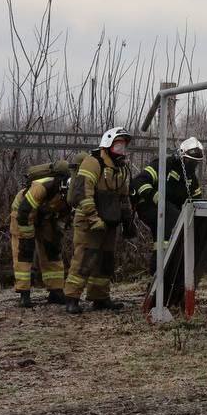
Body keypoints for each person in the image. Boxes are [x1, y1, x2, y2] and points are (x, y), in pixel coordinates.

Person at [65, 127, 135, 313]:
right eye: (118, 145)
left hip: (109, 221)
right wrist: (94, 219)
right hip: (89, 221)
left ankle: (100, 297)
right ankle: (72, 298)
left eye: (123, 146)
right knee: (84, 258)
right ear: (108, 143)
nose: (121, 150)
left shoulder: (119, 169)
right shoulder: (93, 163)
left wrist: (128, 221)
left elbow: (123, 196)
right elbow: (83, 193)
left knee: (105, 260)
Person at [9, 167, 72, 308]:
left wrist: (57, 230)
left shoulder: (73, 194)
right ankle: (24, 294)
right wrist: (27, 236)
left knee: (52, 250)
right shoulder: (42, 187)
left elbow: (65, 215)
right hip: (22, 214)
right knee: (24, 252)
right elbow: (24, 211)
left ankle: (56, 291)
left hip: (46, 217)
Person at [131, 136, 204, 245]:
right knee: (172, 217)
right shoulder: (163, 165)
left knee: (190, 222)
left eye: (196, 162)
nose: (193, 165)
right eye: (190, 161)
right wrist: (155, 196)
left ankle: (162, 258)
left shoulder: (190, 176)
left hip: (171, 210)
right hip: (148, 205)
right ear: (181, 156)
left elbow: (197, 198)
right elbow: (138, 181)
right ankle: (166, 254)